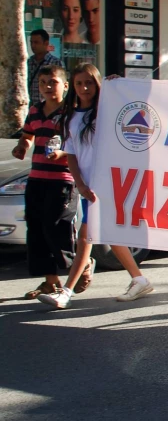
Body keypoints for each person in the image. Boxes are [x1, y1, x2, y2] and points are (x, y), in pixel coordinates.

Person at [38, 66, 155, 309]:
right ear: (73, 86)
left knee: (86, 237)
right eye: (79, 83)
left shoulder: (106, 111)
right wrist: (80, 183)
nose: (84, 89)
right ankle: (139, 279)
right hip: (89, 185)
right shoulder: (71, 116)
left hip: (107, 183)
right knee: (105, 235)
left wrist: (117, 86)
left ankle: (66, 292)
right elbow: (71, 154)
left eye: (89, 83)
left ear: (97, 85)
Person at [15, 65, 76, 301]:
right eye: (43, 83)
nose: (48, 87)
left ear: (65, 86)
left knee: (56, 229)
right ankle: (51, 282)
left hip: (61, 181)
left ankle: (80, 266)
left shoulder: (72, 113)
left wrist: (62, 155)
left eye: (53, 82)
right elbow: (28, 135)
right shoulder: (34, 111)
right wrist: (22, 147)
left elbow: (79, 145)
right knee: (37, 231)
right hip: (36, 179)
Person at [25, 29, 62, 102]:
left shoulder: (55, 63)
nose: (33, 45)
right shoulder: (28, 62)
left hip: (47, 106)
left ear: (46, 43)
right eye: (31, 42)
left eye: (36, 42)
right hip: (30, 107)